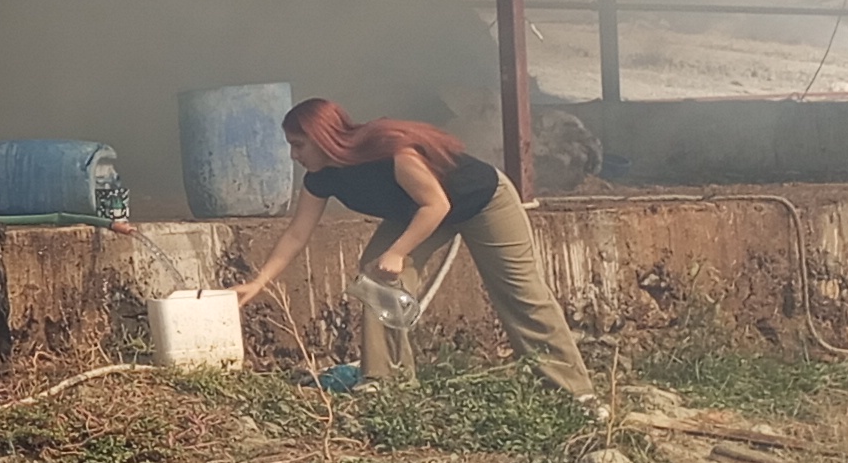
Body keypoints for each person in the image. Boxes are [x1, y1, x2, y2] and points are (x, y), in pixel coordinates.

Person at [229, 97, 594, 401]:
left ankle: (574, 392)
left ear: (322, 138)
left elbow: (437, 205)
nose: (293, 155)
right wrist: (259, 283)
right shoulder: (321, 177)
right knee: (375, 276)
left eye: (298, 145)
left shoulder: (390, 152)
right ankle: (387, 383)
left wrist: (398, 252)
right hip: (420, 210)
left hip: (481, 200)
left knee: (520, 293)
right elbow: (296, 234)